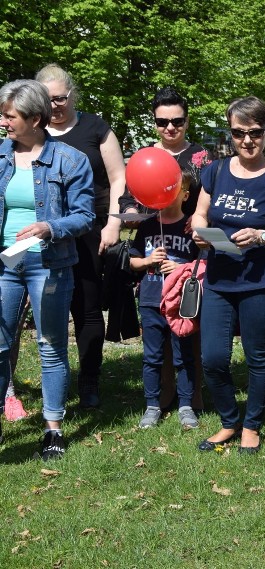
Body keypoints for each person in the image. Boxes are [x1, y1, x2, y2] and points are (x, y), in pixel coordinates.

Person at [191, 96, 265, 454]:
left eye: (255, 132)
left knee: (257, 356)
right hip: (219, 280)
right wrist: (198, 231)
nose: (247, 140)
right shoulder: (216, 171)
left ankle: (251, 425)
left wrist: (260, 236)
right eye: (239, 133)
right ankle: (228, 421)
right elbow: (199, 214)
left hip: (258, 282)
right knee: (213, 359)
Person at [0, 79, 95, 458]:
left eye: (10, 116)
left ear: (35, 118)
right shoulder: (0, 156)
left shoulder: (70, 160)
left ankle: (53, 429)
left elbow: (85, 216)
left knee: (51, 345)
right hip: (5, 266)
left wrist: (49, 227)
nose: (4, 123)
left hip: (49, 265)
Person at [36, 64, 126, 408]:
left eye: (61, 98)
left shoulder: (95, 128)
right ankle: (54, 380)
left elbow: (119, 177)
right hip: (44, 235)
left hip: (91, 230)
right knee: (49, 308)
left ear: (72, 95)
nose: (55, 106)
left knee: (88, 309)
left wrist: (114, 223)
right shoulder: (33, 132)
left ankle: (90, 380)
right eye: (48, 99)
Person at [129, 172, 200, 429]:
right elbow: (133, 260)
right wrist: (148, 261)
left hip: (181, 304)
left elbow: (200, 265)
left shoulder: (191, 227)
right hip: (150, 300)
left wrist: (180, 269)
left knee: (184, 357)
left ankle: (186, 405)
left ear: (185, 195)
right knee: (152, 357)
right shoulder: (148, 225)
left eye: (175, 190)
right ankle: (151, 405)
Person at [120, 86, 211, 217]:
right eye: (162, 122)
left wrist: (201, 216)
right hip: (149, 233)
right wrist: (131, 212)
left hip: (189, 235)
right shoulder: (143, 156)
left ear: (187, 122)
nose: (170, 127)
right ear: (155, 123)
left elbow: (215, 198)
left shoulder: (204, 157)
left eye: (177, 122)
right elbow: (128, 196)